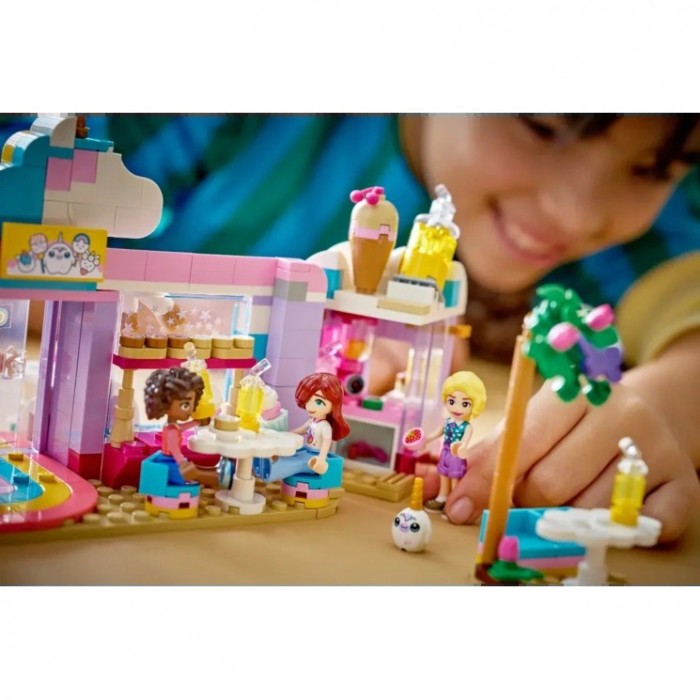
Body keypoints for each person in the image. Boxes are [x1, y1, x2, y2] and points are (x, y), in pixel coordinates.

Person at [3, 114, 698, 541]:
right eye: (541, 125)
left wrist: (658, 401)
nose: (575, 211)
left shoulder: (650, 228)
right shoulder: (239, 116)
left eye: (654, 169)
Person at [406, 371, 487, 513]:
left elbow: (464, 442)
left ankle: (453, 500)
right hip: (445, 452)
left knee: (454, 478)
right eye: (452, 401)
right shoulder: (447, 422)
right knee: (443, 475)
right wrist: (426, 440)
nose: (457, 408)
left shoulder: (467, 427)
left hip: (456, 456)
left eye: (465, 404)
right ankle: (441, 497)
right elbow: (438, 433)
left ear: (474, 405)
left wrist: (461, 448)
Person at [253, 372, 350, 483]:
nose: (310, 406)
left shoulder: (325, 426)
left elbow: (325, 445)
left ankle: (272, 470)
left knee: (295, 463)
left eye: (319, 402)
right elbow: (299, 431)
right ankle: (262, 466)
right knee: (288, 456)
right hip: (305, 452)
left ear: (334, 405)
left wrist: (321, 459)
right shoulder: (311, 422)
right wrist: (280, 436)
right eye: (308, 400)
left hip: (314, 458)